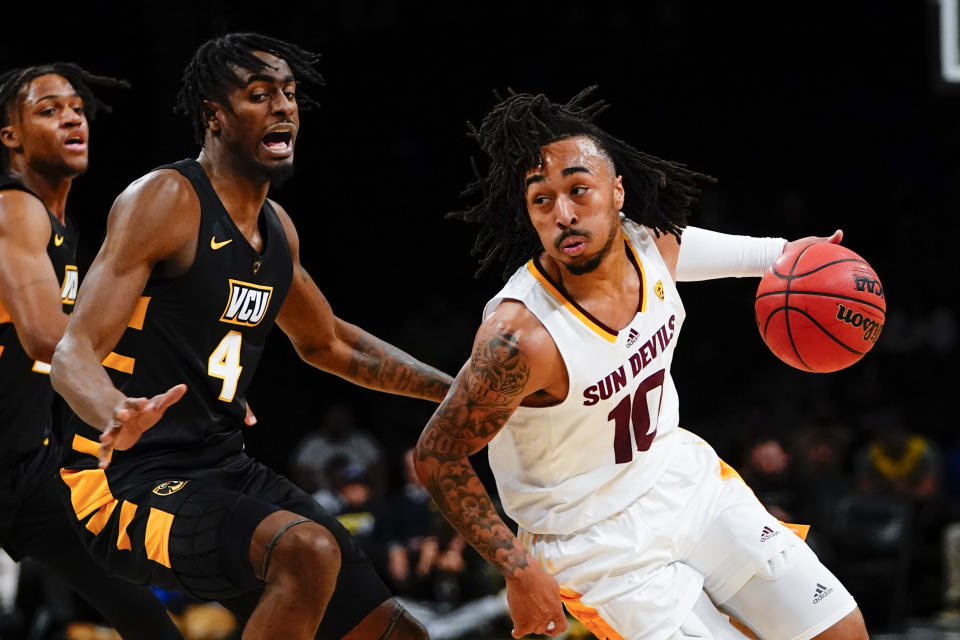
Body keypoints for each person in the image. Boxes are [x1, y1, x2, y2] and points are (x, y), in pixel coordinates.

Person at [414, 88, 870, 640]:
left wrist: (805, 259)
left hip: (681, 482)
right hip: (593, 542)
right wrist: (517, 568)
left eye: (578, 190)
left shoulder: (651, 248)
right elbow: (437, 455)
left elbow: (754, 257)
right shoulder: (520, 338)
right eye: (541, 200)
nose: (563, 214)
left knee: (840, 631)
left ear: (617, 191)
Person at [49, 34, 452, 640]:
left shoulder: (276, 230)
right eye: (260, 96)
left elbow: (331, 344)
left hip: (222, 469)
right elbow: (70, 351)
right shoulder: (166, 198)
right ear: (215, 115)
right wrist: (114, 409)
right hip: (120, 481)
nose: (284, 107)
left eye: (289, 95)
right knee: (307, 552)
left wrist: (460, 392)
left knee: (398, 633)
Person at [0, 63, 184, 639]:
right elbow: (44, 338)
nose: (72, 117)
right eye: (48, 109)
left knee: (144, 613)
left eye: (77, 107)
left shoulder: (64, 226)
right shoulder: (14, 210)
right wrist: (117, 398)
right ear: (11, 136)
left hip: (27, 468)